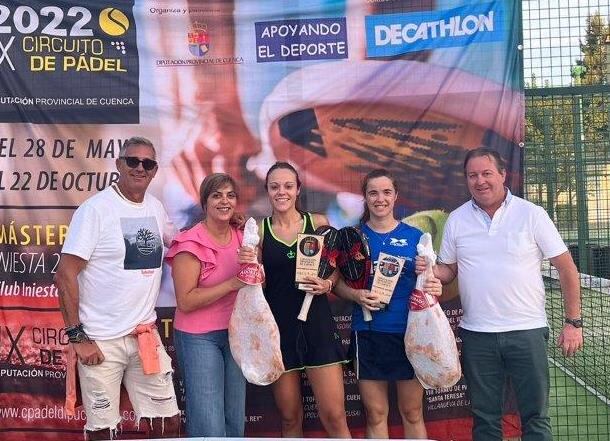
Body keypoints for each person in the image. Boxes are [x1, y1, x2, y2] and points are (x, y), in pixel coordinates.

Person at [421, 147, 583, 441]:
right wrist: (430, 272)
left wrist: (573, 322)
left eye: (486, 173)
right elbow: (448, 270)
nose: (480, 181)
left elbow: (567, 268)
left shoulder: (531, 214)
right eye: (473, 175)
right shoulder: (457, 219)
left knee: (535, 417)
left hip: (527, 332)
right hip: (477, 335)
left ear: (502, 175)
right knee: (485, 420)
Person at [54, 136, 180, 440]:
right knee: (103, 431)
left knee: (168, 425)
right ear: (118, 164)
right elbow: (65, 275)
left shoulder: (156, 208)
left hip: (144, 338)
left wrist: (226, 225)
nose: (140, 167)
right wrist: (78, 337)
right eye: (132, 161)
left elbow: (182, 243)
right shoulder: (95, 210)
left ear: (154, 171)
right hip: (100, 341)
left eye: (147, 163)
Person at [334, 168, 442, 439]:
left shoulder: (416, 237)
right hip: (368, 334)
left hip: (410, 335)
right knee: (376, 414)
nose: (379, 198)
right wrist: (357, 296)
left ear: (396, 196)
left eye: (386, 192)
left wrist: (432, 279)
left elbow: (431, 285)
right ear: (365, 197)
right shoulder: (352, 237)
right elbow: (335, 284)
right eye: (373, 192)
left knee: (412, 412)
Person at [258, 161, 351, 438]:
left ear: (298, 189)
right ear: (267, 191)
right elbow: (255, 283)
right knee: (289, 418)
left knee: (334, 416)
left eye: (288, 186)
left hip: (318, 328)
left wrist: (328, 283)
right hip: (279, 331)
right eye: (275, 187)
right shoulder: (260, 232)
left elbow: (334, 272)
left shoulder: (318, 223)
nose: (281, 192)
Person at [166, 173, 255, 437]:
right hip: (198, 337)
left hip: (236, 334)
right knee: (209, 420)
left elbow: (257, 282)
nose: (224, 201)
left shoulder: (243, 236)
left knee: (234, 419)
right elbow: (185, 301)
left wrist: (255, 265)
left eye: (230, 195)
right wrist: (232, 284)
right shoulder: (189, 243)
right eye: (217, 195)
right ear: (204, 202)